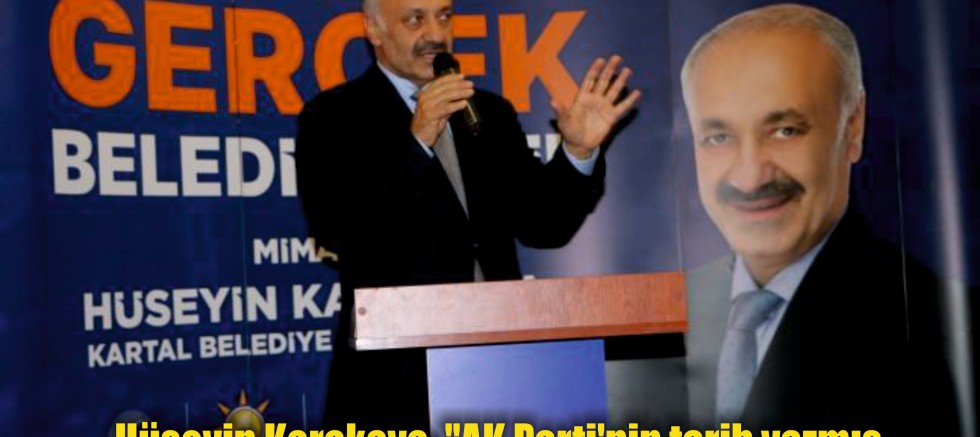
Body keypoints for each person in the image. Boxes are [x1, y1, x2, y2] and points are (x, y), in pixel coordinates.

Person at [296, 0, 640, 430]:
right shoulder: (333, 116)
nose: (435, 34)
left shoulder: (488, 113)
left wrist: (578, 151)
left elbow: (543, 223)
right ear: (374, 29)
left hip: (501, 368)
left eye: (444, 16)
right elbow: (338, 227)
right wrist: (416, 141)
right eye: (415, 19)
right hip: (395, 382)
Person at [679, 4, 959, 434]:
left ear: (853, 126)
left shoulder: (939, 333)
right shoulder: (666, 314)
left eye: (785, 130)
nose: (750, 176)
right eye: (718, 137)